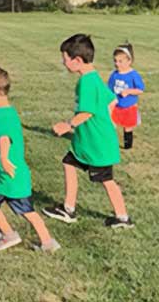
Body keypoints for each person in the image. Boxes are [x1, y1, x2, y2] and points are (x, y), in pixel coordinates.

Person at [43, 34, 132, 228]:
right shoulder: (93, 77)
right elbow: (112, 100)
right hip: (87, 142)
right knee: (69, 163)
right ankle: (68, 209)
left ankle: (123, 218)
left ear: (77, 60)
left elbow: (87, 112)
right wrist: (109, 120)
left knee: (107, 180)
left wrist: (68, 125)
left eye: (65, 59)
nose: (63, 63)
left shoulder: (87, 82)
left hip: (97, 144)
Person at [0, 67, 60, 252]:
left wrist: (4, 159)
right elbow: (0, 138)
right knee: (27, 210)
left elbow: (5, 138)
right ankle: (48, 242)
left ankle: (9, 235)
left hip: (2, 174)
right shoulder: (10, 111)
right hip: (16, 174)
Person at [107, 44, 145, 150]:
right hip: (116, 106)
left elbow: (140, 90)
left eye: (120, 61)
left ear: (129, 61)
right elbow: (109, 89)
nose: (117, 64)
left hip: (129, 107)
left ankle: (128, 146)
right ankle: (111, 144)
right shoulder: (114, 74)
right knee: (111, 124)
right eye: (115, 61)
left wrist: (128, 91)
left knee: (127, 127)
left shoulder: (133, 75)